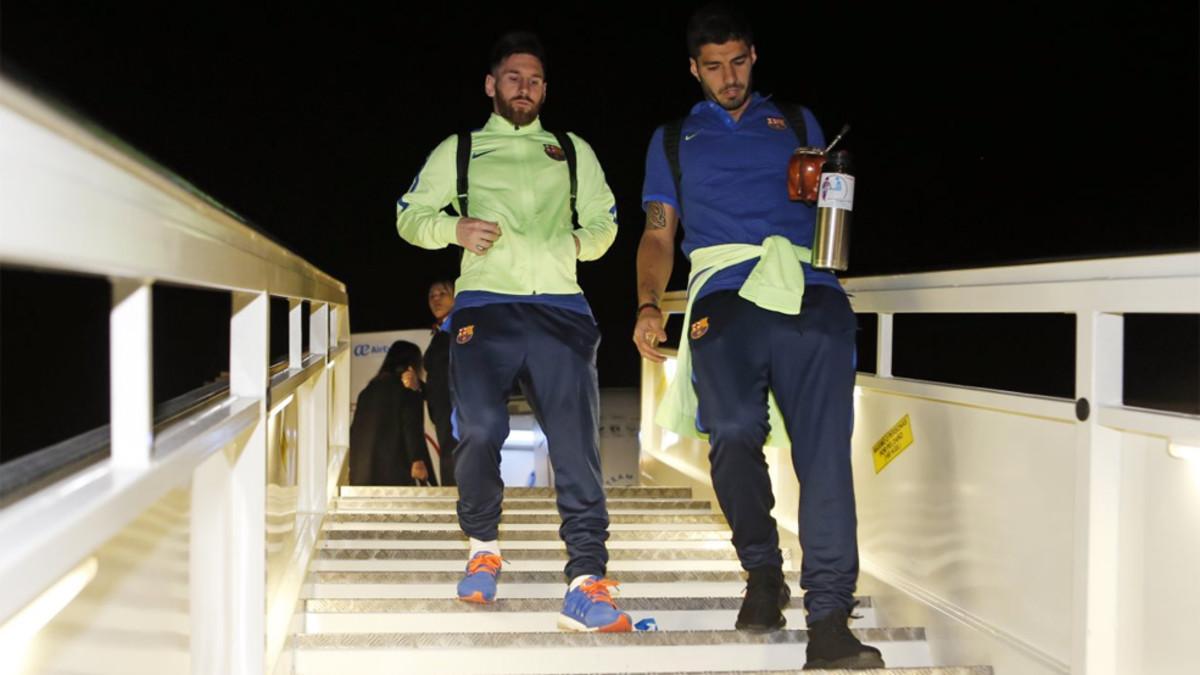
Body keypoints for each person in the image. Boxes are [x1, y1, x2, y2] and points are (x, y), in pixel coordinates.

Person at [632, 4, 885, 669]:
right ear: (694, 69)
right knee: (733, 430)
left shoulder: (799, 124)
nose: (729, 77)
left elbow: (839, 217)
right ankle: (763, 569)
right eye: (713, 67)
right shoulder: (672, 139)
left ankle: (829, 618)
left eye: (738, 61)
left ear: (754, 56)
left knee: (824, 450)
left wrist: (825, 195)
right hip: (723, 295)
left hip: (810, 290)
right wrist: (647, 305)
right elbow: (659, 234)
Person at [396, 32, 628, 632]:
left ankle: (586, 579)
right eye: (513, 78)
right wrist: (455, 230)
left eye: (535, 80)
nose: (524, 89)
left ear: (544, 89)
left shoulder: (572, 150)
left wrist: (575, 243)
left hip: (562, 309)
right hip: (485, 307)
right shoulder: (462, 148)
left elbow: (605, 222)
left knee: (576, 445)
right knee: (478, 427)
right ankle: (482, 548)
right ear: (491, 84)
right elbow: (408, 216)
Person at [349, 340, 435, 486]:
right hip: (395, 474)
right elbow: (411, 426)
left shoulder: (367, 391)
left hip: (362, 474)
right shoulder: (408, 388)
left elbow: (355, 431)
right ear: (412, 364)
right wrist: (417, 460)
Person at [421, 279, 457, 487]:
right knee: (449, 456)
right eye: (431, 296)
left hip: (457, 406)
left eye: (441, 294)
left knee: (457, 456)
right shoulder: (440, 332)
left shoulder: (462, 327)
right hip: (442, 409)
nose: (435, 299)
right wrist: (421, 387)